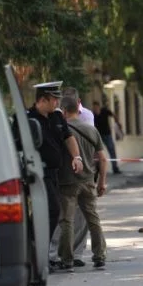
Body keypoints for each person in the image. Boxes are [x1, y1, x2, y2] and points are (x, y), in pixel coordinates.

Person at [26, 81, 84, 244]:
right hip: (36, 174)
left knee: (49, 210)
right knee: (52, 209)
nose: (57, 103)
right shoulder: (27, 118)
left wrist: (77, 157)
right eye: (54, 99)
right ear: (42, 100)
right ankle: (34, 243)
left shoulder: (57, 116)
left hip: (53, 174)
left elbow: (68, 137)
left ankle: (39, 248)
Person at [56, 96, 108, 272]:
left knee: (67, 221)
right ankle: (99, 256)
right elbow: (102, 159)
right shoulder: (91, 130)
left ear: (63, 110)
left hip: (67, 182)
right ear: (78, 110)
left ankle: (67, 259)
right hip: (88, 181)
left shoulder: (61, 130)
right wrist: (102, 182)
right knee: (93, 218)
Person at [49, 87, 94, 269]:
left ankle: (77, 254)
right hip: (64, 173)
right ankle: (56, 254)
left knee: (82, 217)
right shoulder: (56, 118)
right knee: (64, 217)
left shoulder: (88, 116)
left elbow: (91, 143)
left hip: (84, 171)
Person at [92, 101, 121, 174]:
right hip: (98, 136)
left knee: (111, 150)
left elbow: (113, 114)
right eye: (94, 108)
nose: (95, 109)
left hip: (107, 134)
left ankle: (115, 168)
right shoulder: (93, 114)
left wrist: (117, 122)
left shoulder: (104, 111)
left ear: (98, 106)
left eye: (96, 107)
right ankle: (97, 169)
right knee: (97, 153)